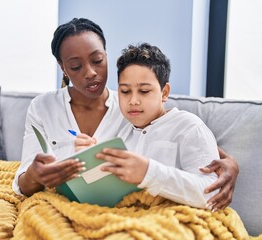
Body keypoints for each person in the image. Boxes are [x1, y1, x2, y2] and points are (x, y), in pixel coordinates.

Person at [12, 18, 239, 211]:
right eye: (75, 66)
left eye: (98, 61)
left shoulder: (134, 113)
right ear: (63, 68)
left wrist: (230, 162)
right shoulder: (45, 108)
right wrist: (75, 165)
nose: (91, 73)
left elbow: (180, 134)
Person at [75, 42, 220, 209]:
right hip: (124, 214)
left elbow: (210, 192)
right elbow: (102, 191)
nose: (133, 101)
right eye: (125, 91)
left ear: (164, 93)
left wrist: (149, 173)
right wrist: (86, 163)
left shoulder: (188, 127)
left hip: (167, 217)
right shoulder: (121, 132)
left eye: (144, 91)